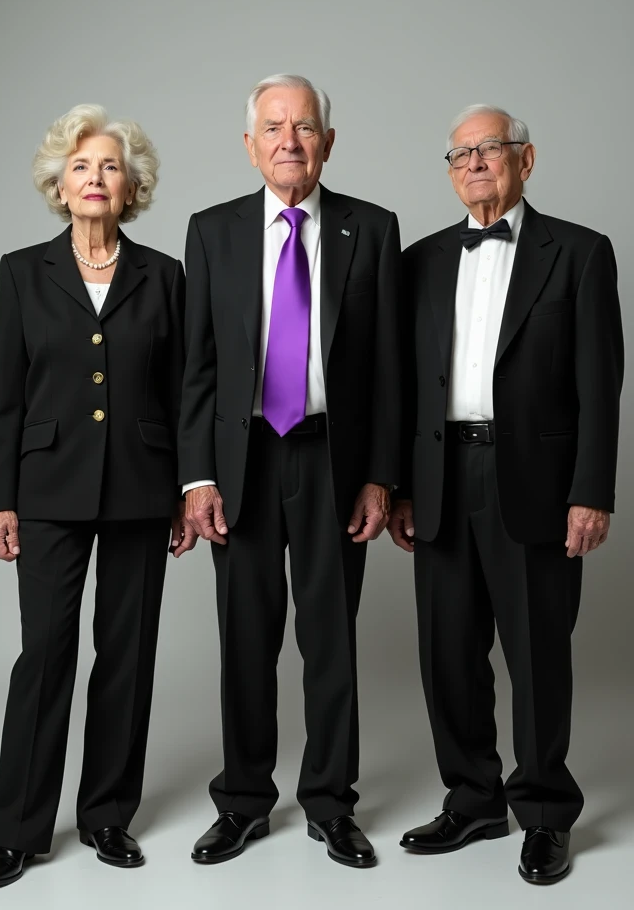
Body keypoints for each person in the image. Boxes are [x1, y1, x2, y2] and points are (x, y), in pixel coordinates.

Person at [388, 104, 624, 884]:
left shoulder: (582, 254)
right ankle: (474, 797)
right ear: (450, 171)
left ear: (526, 158)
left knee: (536, 653)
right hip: (441, 478)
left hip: (538, 484)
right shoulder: (419, 261)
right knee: (447, 653)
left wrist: (591, 493)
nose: (476, 163)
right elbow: (402, 387)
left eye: (490, 149)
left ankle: (546, 813)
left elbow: (601, 386)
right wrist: (399, 486)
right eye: (460, 153)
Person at [179, 74, 402, 868]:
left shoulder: (370, 229)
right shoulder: (212, 232)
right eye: (273, 127)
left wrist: (383, 475)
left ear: (328, 143)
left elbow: (388, 368)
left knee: (331, 640)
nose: (289, 141)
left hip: (332, 459)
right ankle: (242, 802)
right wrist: (195, 477)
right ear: (249, 145)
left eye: (304, 127)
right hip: (241, 463)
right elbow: (196, 369)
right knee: (246, 640)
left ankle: (330, 804)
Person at [0, 104, 195, 889]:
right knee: (46, 656)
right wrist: (1, 498)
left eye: (108, 166)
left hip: (142, 484)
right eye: (80, 166)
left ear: (130, 185)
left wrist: (185, 489)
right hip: (48, 487)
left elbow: (181, 393)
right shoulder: (20, 271)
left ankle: (107, 816)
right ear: (59, 185)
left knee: (127, 657)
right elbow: (7, 393)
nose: (94, 178)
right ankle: (20, 829)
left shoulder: (164, 275)